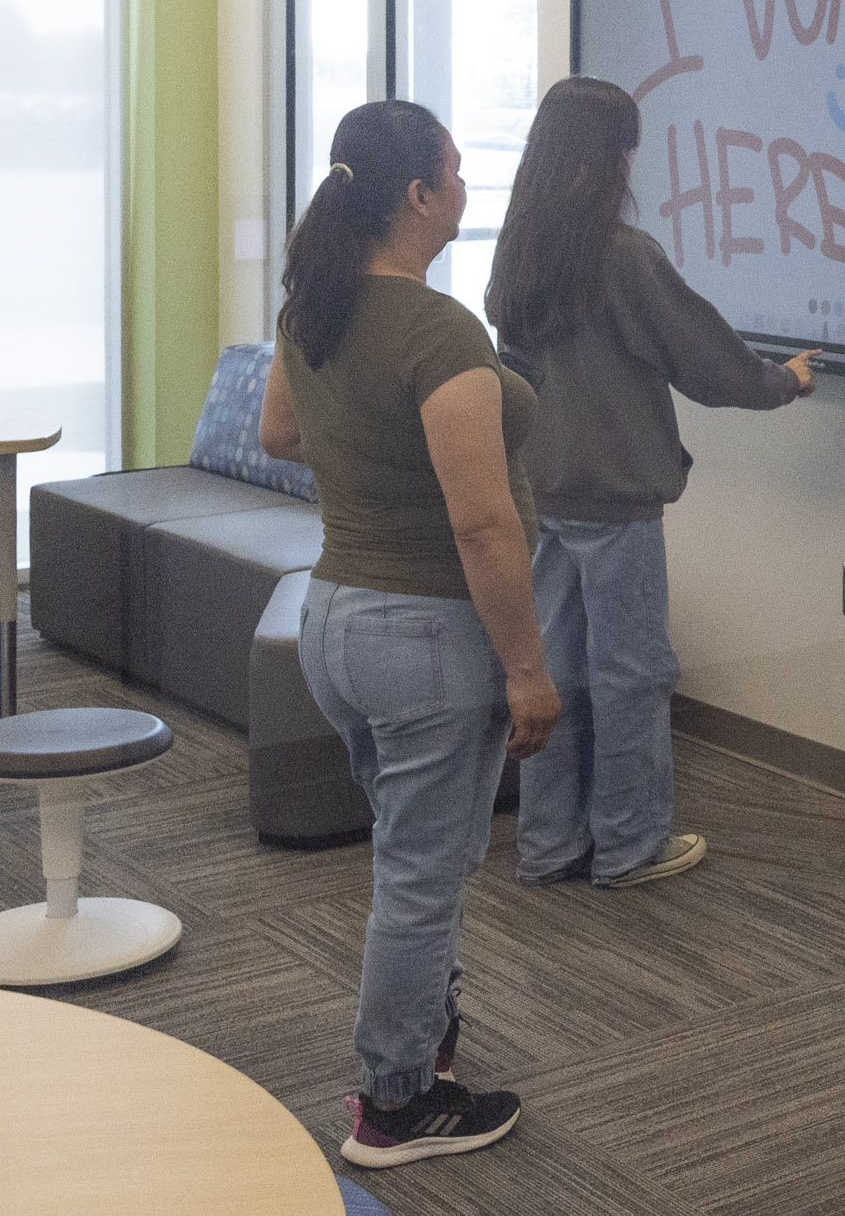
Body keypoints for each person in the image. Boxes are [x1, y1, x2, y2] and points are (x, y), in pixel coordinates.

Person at [257, 99, 560, 1173]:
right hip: (427, 637)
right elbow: (482, 519)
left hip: (335, 618)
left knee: (411, 854)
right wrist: (528, 666)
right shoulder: (439, 332)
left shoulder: (313, 307)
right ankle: (391, 1103)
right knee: (422, 874)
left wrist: (370, 478)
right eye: (457, 174)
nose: (468, 191)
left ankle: (420, 1045)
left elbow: (280, 430)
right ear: (419, 196)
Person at [484, 75, 819, 889]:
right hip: (616, 503)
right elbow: (707, 361)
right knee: (633, 674)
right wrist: (787, 381)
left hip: (546, 495)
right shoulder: (623, 255)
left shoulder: (520, 248)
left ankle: (549, 845)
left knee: (557, 674)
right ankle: (631, 846)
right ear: (614, 156)